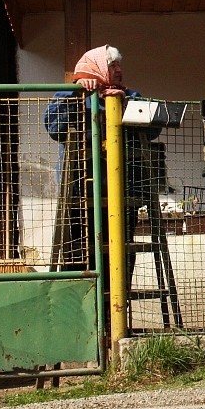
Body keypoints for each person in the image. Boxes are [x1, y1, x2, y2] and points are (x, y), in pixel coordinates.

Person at [43, 45, 158, 271]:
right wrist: (76, 92)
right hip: (80, 191)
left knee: (122, 250)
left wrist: (125, 103)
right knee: (78, 248)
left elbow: (153, 130)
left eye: (118, 65)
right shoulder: (71, 94)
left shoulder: (131, 95)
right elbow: (55, 128)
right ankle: (80, 304)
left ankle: (116, 304)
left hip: (125, 189)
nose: (118, 70)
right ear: (96, 68)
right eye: (112, 65)